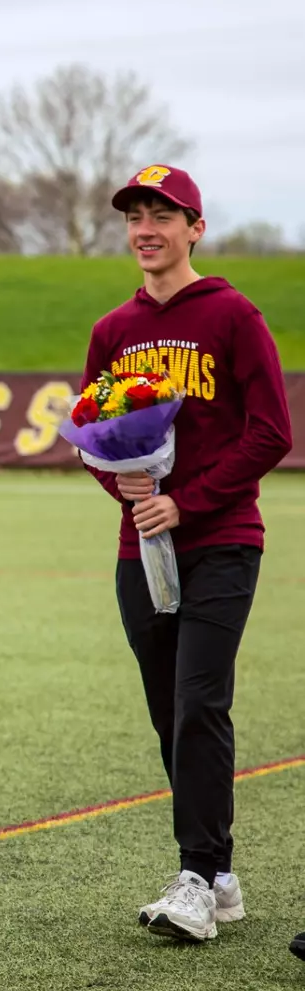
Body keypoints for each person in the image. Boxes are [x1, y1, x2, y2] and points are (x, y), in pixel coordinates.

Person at [79, 166, 292, 942]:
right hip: (144, 550)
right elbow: (97, 440)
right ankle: (221, 869)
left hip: (223, 540)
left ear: (194, 227)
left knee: (202, 700)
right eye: (136, 215)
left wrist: (188, 501)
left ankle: (196, 878)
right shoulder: (113, 329)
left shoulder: (234, 316)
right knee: (171, 712)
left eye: (163, 214)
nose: (146, 228)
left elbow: (272, 432)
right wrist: (131, 495)